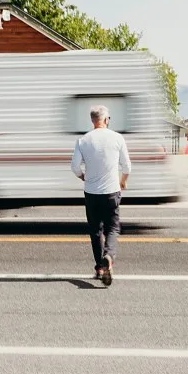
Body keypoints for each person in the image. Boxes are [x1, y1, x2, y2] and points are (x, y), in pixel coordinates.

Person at [71, 104, 131, 286]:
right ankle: (109, 256)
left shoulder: (83, 141)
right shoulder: (117, 138)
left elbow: (74, 167)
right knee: (112, 227)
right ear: (106, 120)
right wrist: (123, 181)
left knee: (95, 230)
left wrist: (84, 177)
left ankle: (100, 266)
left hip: (91, 192)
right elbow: (127, 166)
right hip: (112, 191)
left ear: (92, 121)